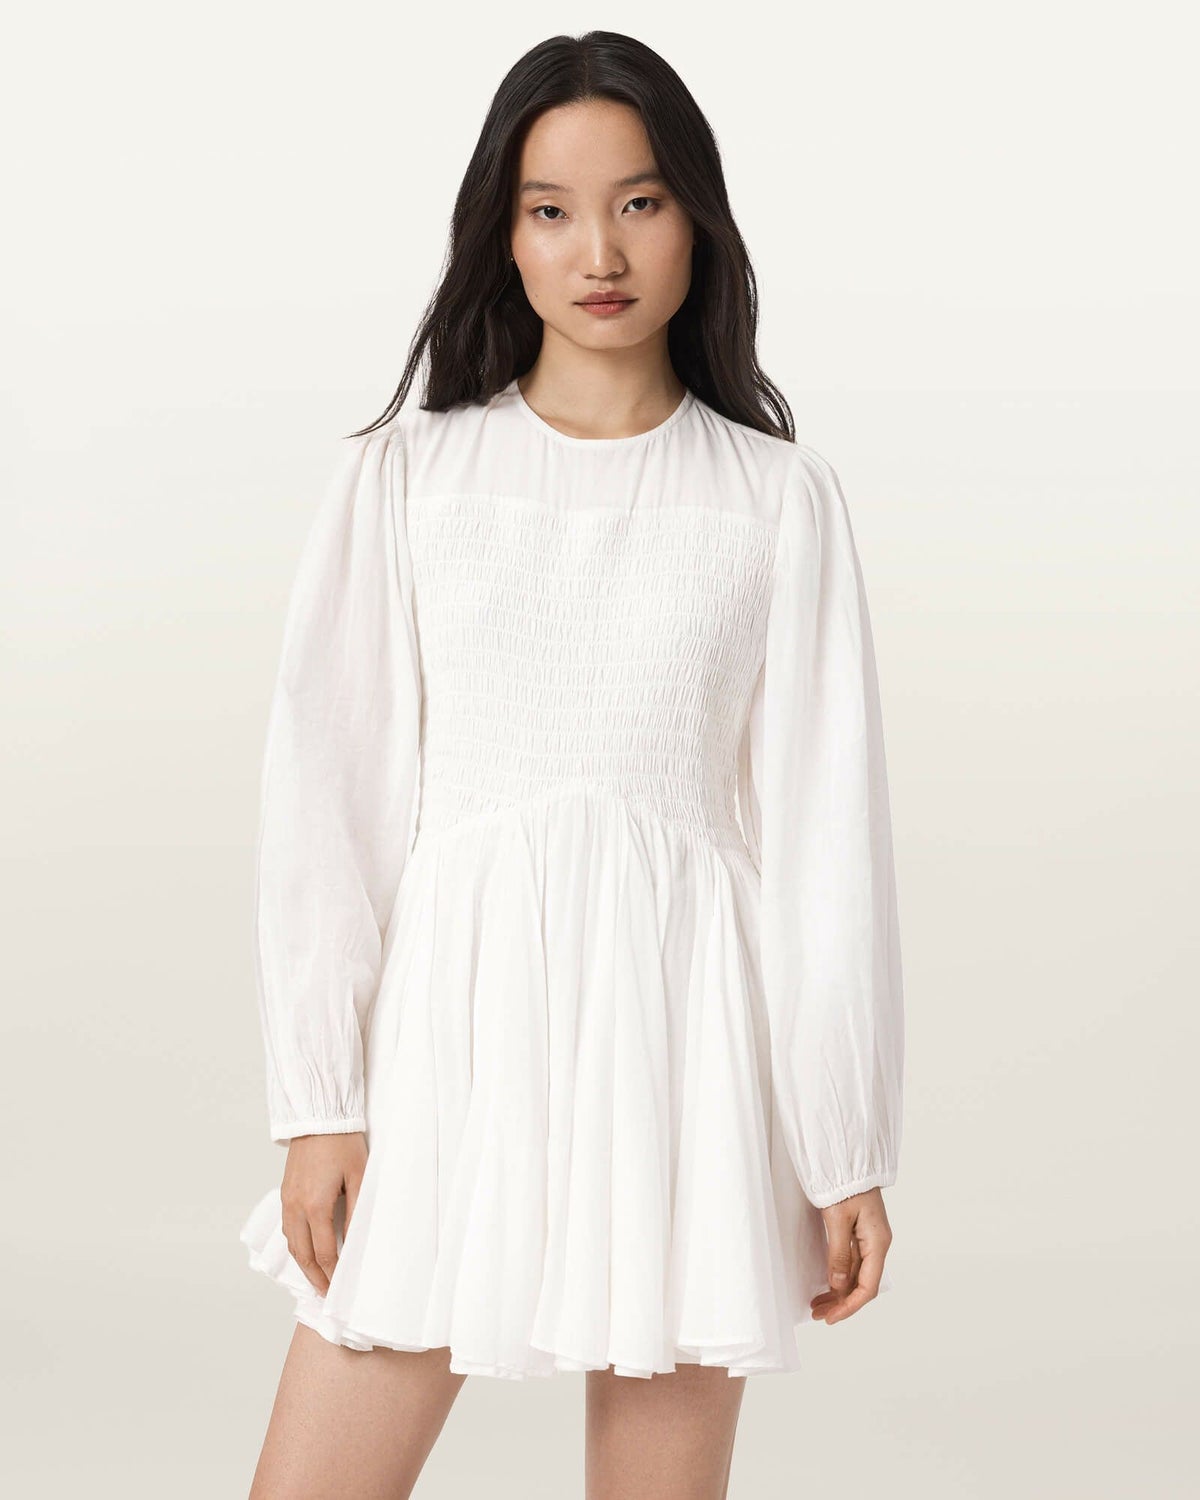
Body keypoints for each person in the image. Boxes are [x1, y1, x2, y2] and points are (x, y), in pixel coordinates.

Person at [239, 29, 905, 1500]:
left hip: (687, 1054)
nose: (598, 252)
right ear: (505, 233)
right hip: (445, 1046)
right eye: (551, 210)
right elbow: (329, 800)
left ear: (697, 221)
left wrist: (844, 1140)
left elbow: (825, 840)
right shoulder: (408, 478)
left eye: (639, 202)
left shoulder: (778, 501)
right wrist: (320, 1095)